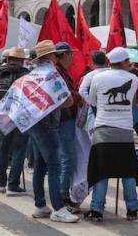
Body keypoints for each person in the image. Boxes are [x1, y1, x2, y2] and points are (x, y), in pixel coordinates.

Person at [19, 42, 78, 223]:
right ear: (50, 56)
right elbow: (67, 101)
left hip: (33, 123)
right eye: (55, 55)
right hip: (47, 124)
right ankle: (58, 209)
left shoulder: (33, 74)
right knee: (54, 166)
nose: (56, 58)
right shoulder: (51, 74)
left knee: (40, 165)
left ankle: (40, 205)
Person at [84, 47, 138, 222]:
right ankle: (132, 209)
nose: (129, 64)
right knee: (128, 171)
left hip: (102, 130)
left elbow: (92, 100)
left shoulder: (97, 77)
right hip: (124, 130)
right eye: (128, 61)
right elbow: (133, 102)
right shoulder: (133, 78)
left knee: (102, 171)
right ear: (123, 62)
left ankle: (97, 210)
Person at [0, 48, 31, 196]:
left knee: (3, 150)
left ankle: (1, 183)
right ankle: (13, 185)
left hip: (3, 116)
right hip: (20, 117)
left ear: (8, 59)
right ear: (22, 60)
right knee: (19, 151)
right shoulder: (26, 75)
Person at [53, 42, 84, 213]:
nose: (73, 58)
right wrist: (78, 95)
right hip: (63, 120)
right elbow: (61, 94)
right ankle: (62, 198)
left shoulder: (62, 72)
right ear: (64, 55)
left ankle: (62, 195)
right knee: (67, 159)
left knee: (64, 159)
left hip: (64, 119)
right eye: (70, 54)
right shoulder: (57, 73)